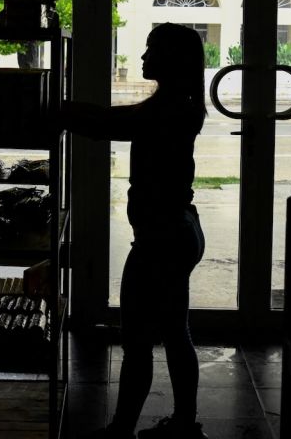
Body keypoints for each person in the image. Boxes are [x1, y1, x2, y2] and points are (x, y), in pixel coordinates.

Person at [64, 23, 208, 439]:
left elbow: (110, 123)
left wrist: (58, 109)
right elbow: (115, 120)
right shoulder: (179, 102)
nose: (142, 58)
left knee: (139, 342)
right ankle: (182, 424)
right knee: (175, 333)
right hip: (177, 229)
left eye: (151, 50)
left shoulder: (170, 109)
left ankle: (122, 430)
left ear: (172, 59)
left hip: (160, 238)